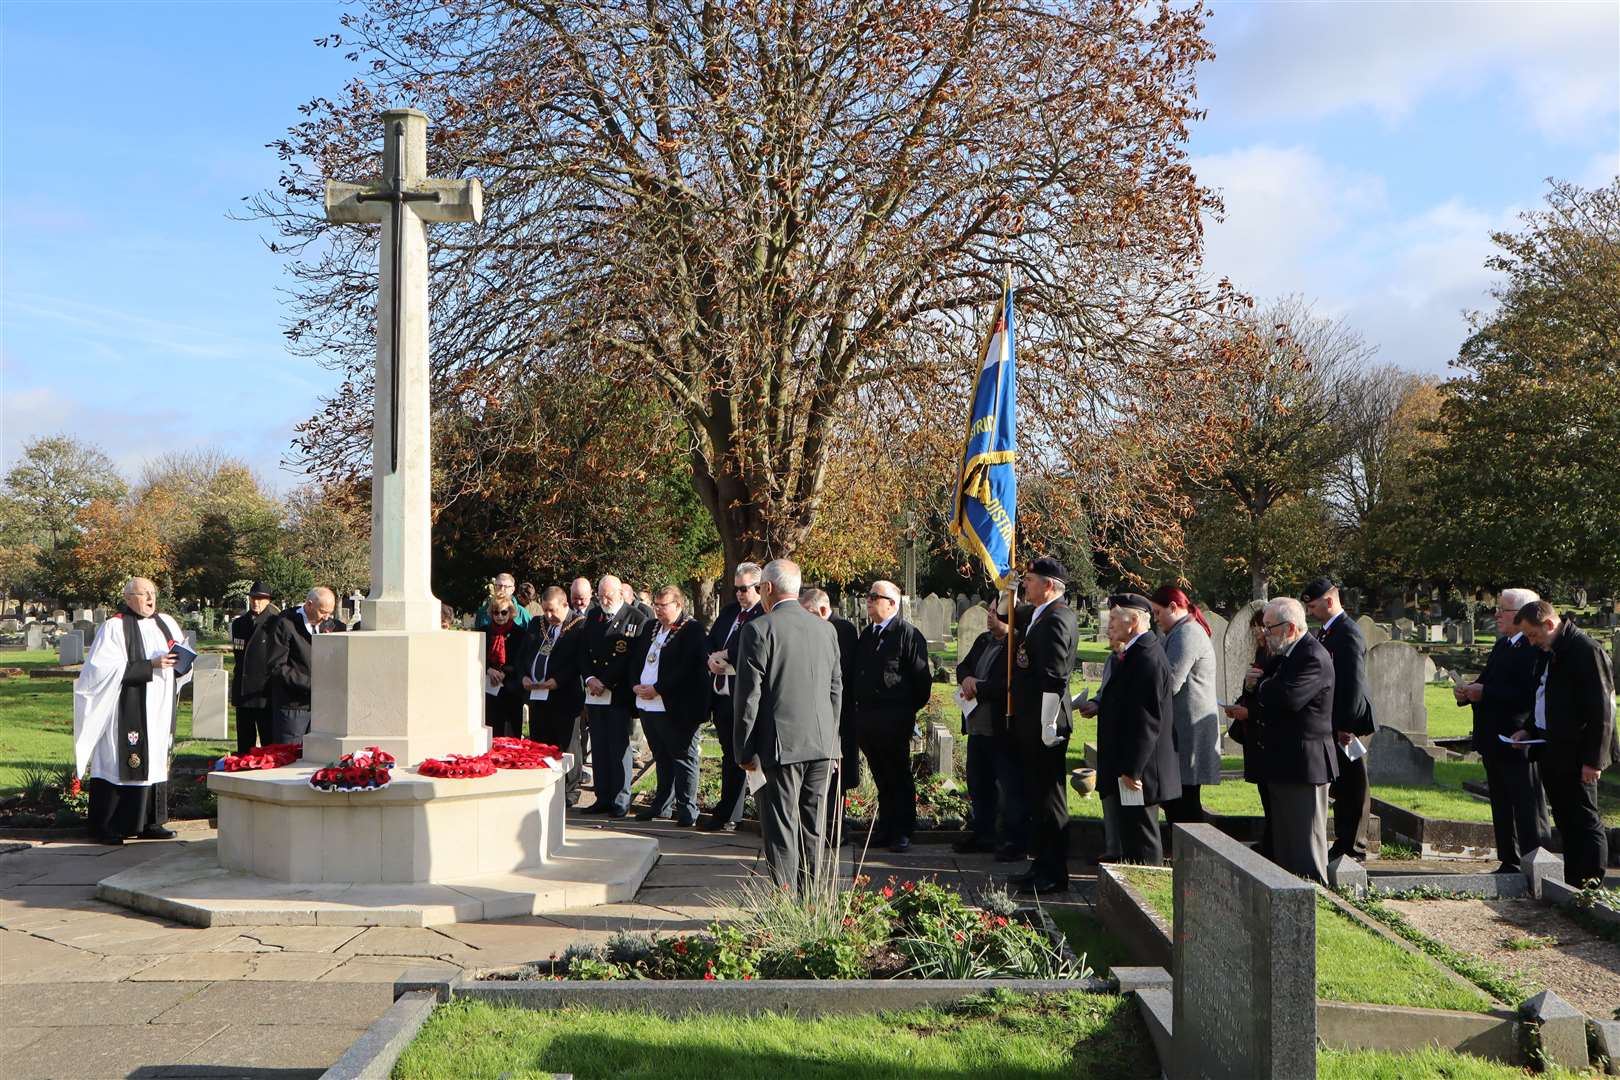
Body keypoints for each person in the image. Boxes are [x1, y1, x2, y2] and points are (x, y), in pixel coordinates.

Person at [734, 559, 843, 892]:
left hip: (781, 747)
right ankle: (810, 898)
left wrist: (744, 749)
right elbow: (836, 689)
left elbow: (748, 697)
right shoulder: (827, 629)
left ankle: (785, 905)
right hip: (822, 744)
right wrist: (832, 738)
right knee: (813, 827)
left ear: (767, 589)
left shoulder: (759, 629)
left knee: (782, 828)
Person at [72, 578, 190, 845]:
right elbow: (99, 671)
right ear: (128, 597)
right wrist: (149, 665)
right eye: (143, 594)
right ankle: (110, 825)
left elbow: (181, 658)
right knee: (121, 760)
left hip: (159, 707)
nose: (150, 598)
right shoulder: (114, 627)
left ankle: (150, 821)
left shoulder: (166, 622)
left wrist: (183, 661)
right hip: (126, 707)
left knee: (156, 761)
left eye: (153, 593)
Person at [1510, 601, 1614, 887]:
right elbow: (1545, 698)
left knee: (1584, 819)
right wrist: (1528, 729)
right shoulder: (1551, 651)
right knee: (1566, 820)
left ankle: (1591, 886)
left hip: (1578, 752)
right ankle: (1573, 884)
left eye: (1533, 635)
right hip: (1553, 748)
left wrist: (1594, 760)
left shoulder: (1585, 650)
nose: (1532, 642)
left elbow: (1603, 710)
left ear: (1549, 624)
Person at [1454, 588, 1550, 873]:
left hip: (1517, 738)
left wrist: (1485, 692)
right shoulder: (1503, 644)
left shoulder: (1532, 648)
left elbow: (1527, 694)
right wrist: (1467, 692)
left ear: (1522, 615)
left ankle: (1535, 863)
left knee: (1526, 805)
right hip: (1492, 739)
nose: (1496, 614)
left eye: (1503, 609)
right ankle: (1509, 860)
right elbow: (1487, 682)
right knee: (1501, 803)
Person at [1247, 597, 1337, 883]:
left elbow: (1287, 698)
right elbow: (1270, 690)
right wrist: (1262, 686)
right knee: (1286, 845)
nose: (1265, 635)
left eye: (1269, 628)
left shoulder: (1312, 656)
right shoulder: (1287, 655)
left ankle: (1315, 902)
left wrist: (1260, 685)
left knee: (1305, 847)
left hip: (1304, 764)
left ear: (1289, 628)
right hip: (1284, 761)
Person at [1092, 592, 1179, 871]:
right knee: (1131, 835)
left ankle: (1148, 886)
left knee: (1142, 836)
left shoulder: (1147, 657)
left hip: (1139, 768)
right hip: (1127, 763)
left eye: (1115, 618)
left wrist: (1133, 769)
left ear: (1134, 621)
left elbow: (1147, 719)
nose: (1110, 624)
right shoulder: (1134, 653)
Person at [850, 579, 932, 853]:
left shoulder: (908, 635)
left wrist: (905, 711)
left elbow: (922, 682)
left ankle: (903, 829)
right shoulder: (868, 634)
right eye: (869, 596)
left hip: (894, 718)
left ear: (892, 604)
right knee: (880, 776)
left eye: (876, 596)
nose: (869, 600)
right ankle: (885, 828)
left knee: (898, 774)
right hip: (868, 719)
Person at [1300, 578, 1376, 862]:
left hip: (1351, 722)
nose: (1310, 611)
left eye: (1314, 605)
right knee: (1341, 784)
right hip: (1334, 721)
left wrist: (1347, 725)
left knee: (1355, 784)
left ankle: (1355, 845)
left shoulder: (1348, 633)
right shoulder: (1326, 633)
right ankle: (1343, 840)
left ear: (1330, 601)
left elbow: (1353, 684)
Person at [628, 586, 710, 826]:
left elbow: (686, 668)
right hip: (647, 704)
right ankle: (661, 805)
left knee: (683, 757)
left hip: (676, 706)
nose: (658, 610)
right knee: (661, 756)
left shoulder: (692, 629)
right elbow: (636, 658)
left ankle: (687, 809)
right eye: (656, 605)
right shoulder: (651, 627)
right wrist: (635, 684)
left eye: (663, 606)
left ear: (678, 605)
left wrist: (659, 688)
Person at [955, 596, 1028, 858]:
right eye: (990, 610)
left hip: (1001, 729)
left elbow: (1008, 683)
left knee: (1008, 788)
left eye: (995, 612)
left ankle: (1011, 840)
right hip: (977, 727)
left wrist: (979, 687)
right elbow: (963, 666)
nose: (989, 615)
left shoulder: (1017, 645)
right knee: (978, 784)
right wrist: (966, 679)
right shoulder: (984, 640)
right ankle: (983, 834)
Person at [700, 563, 764, 832]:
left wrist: (724, 656)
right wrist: (711, 656)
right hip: (722, 696)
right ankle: (728, 811)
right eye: (736, 588)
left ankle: (754, 813)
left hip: (746, 697)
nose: (738, 594)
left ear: (759, 588)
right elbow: (711, 639)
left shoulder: (763, 614)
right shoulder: (729, 612)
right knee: (730, 755)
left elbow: (750, 648)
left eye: (744, 588)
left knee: (750, 757)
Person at [1149, 586, 1221, 825]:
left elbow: (1169, 683)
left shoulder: (1187, 633)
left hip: (1187, 731)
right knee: (1178, 800)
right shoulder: (1178, 631)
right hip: (1182, 728)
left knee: (1184, 802)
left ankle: (1190, 856)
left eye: (1158, 613)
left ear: (1173, 607)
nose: (1156, 619)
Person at [579, 575, 648, 816]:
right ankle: (603, 796)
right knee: (598, 747)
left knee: (618, 747)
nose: (603, 599)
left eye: (608, 595)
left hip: (617, 692)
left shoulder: (636, 619)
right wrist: (590, 679)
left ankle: (620, 799)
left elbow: (630, 658)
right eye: (600, 595)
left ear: (620, 593)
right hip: (594, 692)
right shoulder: (593, 616)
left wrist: (605, 681)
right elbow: (584, 652)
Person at [518, 586, 587, 804]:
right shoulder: (536, 624)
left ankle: (570, 790)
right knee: (541, 741)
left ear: (565, 605)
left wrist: (557, 681)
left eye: (552, 610)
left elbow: (578, 661)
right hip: (538, 694)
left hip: (564, 695)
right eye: (545, 610)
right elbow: (523, 655)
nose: (548, 615)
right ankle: (544, 784)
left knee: (566, 744)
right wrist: (524, 677)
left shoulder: (579, 626)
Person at [799, 588, 861, 826]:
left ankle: (835, 827)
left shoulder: (841, 630)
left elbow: (837, 674)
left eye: (808, 613)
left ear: (823, 610)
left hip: (838, 715)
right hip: (816, 715)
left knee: (836, 778)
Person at [1221, 607, 1276, 857]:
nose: (1259, 633)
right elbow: (1253, 688)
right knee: (1265, 794)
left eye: (1263, 628)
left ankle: (1272, 843)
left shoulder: (1277, 654)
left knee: (1272, 795)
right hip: (1254, 732)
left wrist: (1253, 689)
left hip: (1266, 733)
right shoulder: (1262, 651)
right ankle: (1268, 840)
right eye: (1256, 629)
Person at [265, 587, 341, 744]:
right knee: (290, 757)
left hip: (321, 706)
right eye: (322, 611)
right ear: (309, 604)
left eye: (329, 612)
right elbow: (277, 667)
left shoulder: (328, 626)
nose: (326, 617)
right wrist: (311, 684)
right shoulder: (284, 624)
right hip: (293, 707)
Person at [229, 581, 280, 755]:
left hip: (263, 692)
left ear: (268, 601)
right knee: (244, 743)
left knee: (268, 743)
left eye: (261, 599)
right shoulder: (239, 624)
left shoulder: (274, 623)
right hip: (244, 691)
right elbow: (239, 656)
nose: (256, 602)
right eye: (253, 598)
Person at [481, 599, 527, 738]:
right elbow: (477, 657)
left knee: (511, 733)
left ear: (511, 613)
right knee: (492, 730)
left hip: (511, 688)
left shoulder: (519, 633)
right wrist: (489, 669)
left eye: (503, 612)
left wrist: (504, 673)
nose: (500, 616)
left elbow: (522, 660)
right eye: (496, 613)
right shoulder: (484, 632)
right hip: (490, 689)